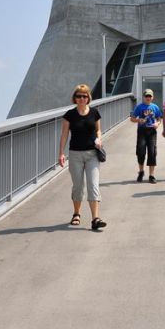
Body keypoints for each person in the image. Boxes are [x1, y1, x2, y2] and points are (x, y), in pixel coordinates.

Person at [58, 84, 107, 230]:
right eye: (79, 96)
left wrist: (99, 139)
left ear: (88, 98)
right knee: (78, 187)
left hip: (92, 154)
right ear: (75, 98)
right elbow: (64, 135)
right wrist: (61, 153)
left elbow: (98, 130)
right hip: (75, 154)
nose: (81, 99)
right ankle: (76, 214)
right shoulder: (69, 115)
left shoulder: (94, 113)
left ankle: (95, 219)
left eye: (84, 96)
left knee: (93, 185)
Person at [130, 89, 162, 183]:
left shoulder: (155, 107)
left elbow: (159, 119)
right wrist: (138, 120)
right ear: (144, 97)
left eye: (150, 96)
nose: (148, 98)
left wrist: (157, 124)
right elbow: (132, 118)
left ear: (152, 97)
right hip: (142, 131)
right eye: (146, 96)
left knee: (152, 152)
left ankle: (151, 175)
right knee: (140, 151)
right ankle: (141, 171)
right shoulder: (139, 107)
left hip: (152, 131)